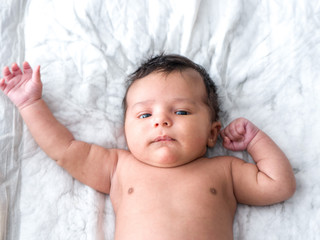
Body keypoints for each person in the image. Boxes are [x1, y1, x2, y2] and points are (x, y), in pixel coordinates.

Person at [0, 54, 296, 239]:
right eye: (144, 114)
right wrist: (30, 104)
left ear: (212, 132)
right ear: (126, 130)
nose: (161, 121)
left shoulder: (225, 170)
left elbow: (279, 185)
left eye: (181, 112)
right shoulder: (118, 166)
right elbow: (63, 149)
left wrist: (255, 141)